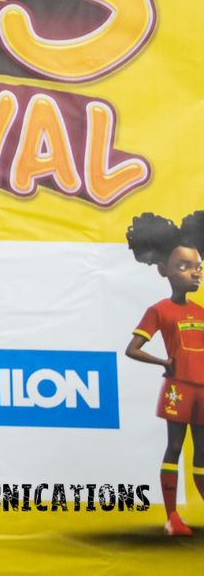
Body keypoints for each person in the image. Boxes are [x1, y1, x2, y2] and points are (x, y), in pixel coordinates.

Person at [124, 211, 204, 536]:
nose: (194, 274)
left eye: (198, 267)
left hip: (203, 390)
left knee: (203, 452)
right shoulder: (160, 310)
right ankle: (173, 517)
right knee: (174, 447)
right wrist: (162, 363)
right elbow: (133, 348)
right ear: (164, 270)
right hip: (178, 389)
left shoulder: (201, 312)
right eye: (184, 267)